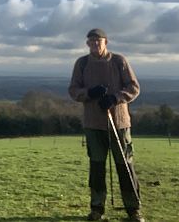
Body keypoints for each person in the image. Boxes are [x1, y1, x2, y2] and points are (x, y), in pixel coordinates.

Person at [69, 28, 144, 222]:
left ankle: (134, 210)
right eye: (91, 41)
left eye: (98, 41)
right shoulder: (82, 63)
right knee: (97, 168)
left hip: (119, 123)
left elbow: (134, 87)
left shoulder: (119, 61)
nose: (95, 44)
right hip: (93, 124)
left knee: (125, 167)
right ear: (87, 44)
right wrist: (89, 93)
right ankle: (97, 209)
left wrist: (115, 98)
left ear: (106, 42)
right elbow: (73, 90)